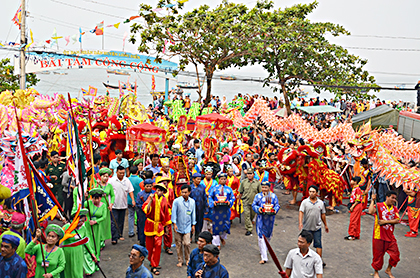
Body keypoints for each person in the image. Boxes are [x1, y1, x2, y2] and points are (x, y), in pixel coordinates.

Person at [368, 191, 400, 278]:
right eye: (392, 198)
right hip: (379, 235)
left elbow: (397, 220)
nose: (394, 200)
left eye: (395, 198)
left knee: (395, 255)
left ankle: (388, 269)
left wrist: (385, 222)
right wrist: (372, 200)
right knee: (378, 255)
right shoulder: (379, 205)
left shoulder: (394, 209)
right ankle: (376, 272)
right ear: (387, 197)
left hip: (390, 236)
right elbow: (371, 211)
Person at [142, 181, 172, 275]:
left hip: (159, 226)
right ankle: (152, 261)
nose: (159, 192)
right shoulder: (151, 198)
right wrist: (150, 200)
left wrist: (166, 226)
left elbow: (166, 213)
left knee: (158, 246)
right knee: (149, 247)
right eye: (158, 190)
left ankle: (154, 265)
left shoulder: (164, 200)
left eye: (161, 191)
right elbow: (146, 210)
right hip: (150, 224)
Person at [61, 208, 97, 278]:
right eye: (81, 221)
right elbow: (59, 240)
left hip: (79, 252)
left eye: (83, 221)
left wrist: (92, 253)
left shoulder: (83, 229)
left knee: (77, 271)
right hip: (67, 252)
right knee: (68, 270)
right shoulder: (67, 227)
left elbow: (86, 242)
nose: (82, 223)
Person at [298, 185, 329, 264]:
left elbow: (323, 215)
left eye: (313, 192)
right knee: (303, 243)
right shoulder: (305, 202)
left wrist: (325, 225)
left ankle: (319, 261)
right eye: (310, 192)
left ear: (317, 193)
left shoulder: (321, 203)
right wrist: (300, 223)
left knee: (318, 244)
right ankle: (302, 259)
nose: (311, 193)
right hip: (306, 227)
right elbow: (301, 212)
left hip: (316, 228)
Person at [252, 181, 280, 264]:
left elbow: (277, 205)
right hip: (261, 219)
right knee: (261, 237)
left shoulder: (273, 196)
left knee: (268, 236)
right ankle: (264, 257)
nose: (264, 189)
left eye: (266, 187)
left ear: (269, 188)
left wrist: (275, 210)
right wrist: (258, 209)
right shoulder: (258, 196)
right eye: (263, 187)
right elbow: (254, 205)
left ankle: (263, 250)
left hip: (270, 220)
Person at [171, 184, 196, 267]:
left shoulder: (192, 202)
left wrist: (193, 225)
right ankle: (180, 260)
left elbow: (193, 214)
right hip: (178, 225)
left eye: (185, 192)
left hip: (188, 226)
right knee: (178, 244)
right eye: (182, 192)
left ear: (189, 192)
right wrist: (174, 224)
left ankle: (188, 259)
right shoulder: (176, 201)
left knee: (187, 243)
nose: (184, 194)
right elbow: (173, 213)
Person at [109, 165, 135, 244]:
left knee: (121, 221)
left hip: (123, 204)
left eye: (123, 173)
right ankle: (114, 238)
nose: (122, 174)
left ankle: (120, 234)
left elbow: (130, 191)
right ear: (116, 172)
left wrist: (133, 200)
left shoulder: (126, 180)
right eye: (120, 173)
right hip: (114, 205)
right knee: (114, 221)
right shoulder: (111, 180)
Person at [208, 173, 235, 248]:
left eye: (224, 179)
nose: (223, 180)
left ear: (226, 180)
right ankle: (216, 244)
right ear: (219, 180)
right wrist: (213, 202)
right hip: (216, 210)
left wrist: (230, 202)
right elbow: (210, 197)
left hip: (225, 210)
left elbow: (233, 198)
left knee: (225, 226)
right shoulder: (214, 188)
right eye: (221, 179)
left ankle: (222, 237)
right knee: (216, 226)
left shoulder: (229, 189)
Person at [85, 188, 107, 275]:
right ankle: (89, 268)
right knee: (89, 245)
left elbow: (104, 217)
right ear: (92, 198)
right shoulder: (88, 203)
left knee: (96, 245)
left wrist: (96, 221)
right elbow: (80, 205)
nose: (96, 200)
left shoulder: (103, 205)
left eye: (98, 198)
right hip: (87, 227)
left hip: (97, 227)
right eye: (95, 198)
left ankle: (96, 262)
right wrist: (85, 197)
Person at [238, 168, 262, 236]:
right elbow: (241, 192)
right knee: (246, 215)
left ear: (253, 174)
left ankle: (249, 224)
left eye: (250, 173)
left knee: (252, 215)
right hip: (245, 201)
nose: (249, 175)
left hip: (254, 202)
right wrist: (239, 201)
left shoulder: (257, 183)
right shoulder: (244, 182)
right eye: (248, 174)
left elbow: (260, 193)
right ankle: (249, 229)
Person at [95, 167, 115, 247]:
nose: (105, 178)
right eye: (104, 176)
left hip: (106, 207)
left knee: (104, 224)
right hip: (97, 206)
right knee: (98, 223)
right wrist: (97, 185)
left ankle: (102, 239)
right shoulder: (97, 184)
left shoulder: (109, 186)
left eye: (107, 176)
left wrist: (111, 204)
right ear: (100, 176)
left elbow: (112, 196)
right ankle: (97, 239)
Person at [136, 179, 155, 247]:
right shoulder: (140, 194)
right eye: (147, 186)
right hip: (142, 214)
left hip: (151, 214)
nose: (148, 188)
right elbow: (138, 204)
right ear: (144, 186)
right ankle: (142, 242)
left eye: (150, 186)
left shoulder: (154, 193)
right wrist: (145, 208)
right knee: (142, 227)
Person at [190, 173, 207, 242]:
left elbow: (204, 198)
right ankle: (190, 236)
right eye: (198, 179)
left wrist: (206, 208)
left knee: (199, 223)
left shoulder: (202, 187)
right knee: (191, 222)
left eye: (200, 179)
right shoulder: (190, 188)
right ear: (193, 179)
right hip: (192, 208)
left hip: (200, 208)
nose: (199, 181)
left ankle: (197, 237)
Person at [128, 166, 143, 238]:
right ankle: (138, 230)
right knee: (138, 216)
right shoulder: (140, 180)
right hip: (137, 200)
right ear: (137, 171)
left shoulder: (127, 180)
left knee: (130, 216)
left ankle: (131, 231)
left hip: (129, 200)